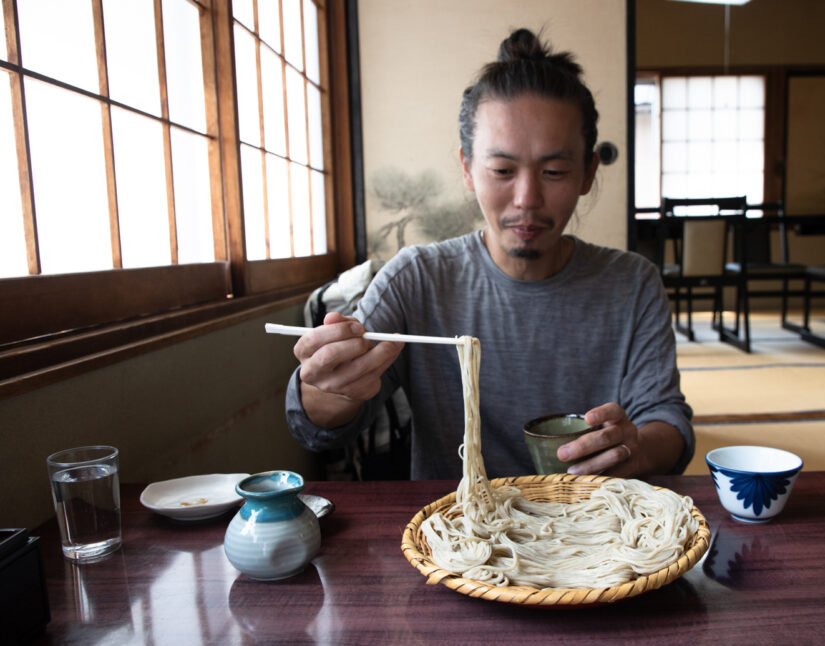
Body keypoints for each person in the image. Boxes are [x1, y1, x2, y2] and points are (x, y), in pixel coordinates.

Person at [286, 28, 695, 479]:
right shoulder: (417, 280)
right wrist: (328, 390)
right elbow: (320, 427)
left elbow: (668, 421)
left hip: (592, 528)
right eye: (502, 169)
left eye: (554, 170)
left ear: (587, 173)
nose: (527, 198)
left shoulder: (631, 283)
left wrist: (634, 450)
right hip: (457, 537)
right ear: (467, 167)